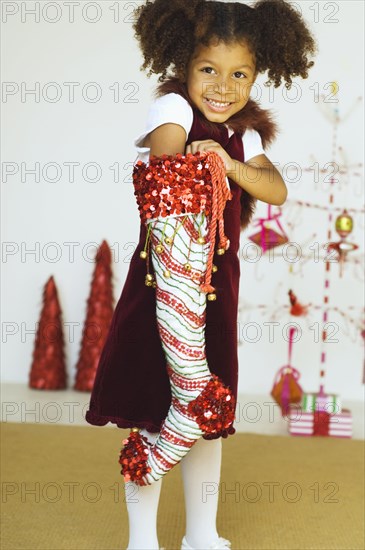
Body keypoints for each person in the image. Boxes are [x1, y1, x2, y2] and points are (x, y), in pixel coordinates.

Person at [85, 1, 316, 548]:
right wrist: (193, 158)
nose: (223, 85)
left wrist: (229, 164)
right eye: (209, 69)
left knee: (210, 414)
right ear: (185, 65)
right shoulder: (173, 108)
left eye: (240, 74)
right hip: (163, 288)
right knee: (155, 408)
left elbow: (274, 189)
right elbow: (166, 165)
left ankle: (201, 534)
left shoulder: (245, 132)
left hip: (217, 293)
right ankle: (142, 537)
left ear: (258, 75)